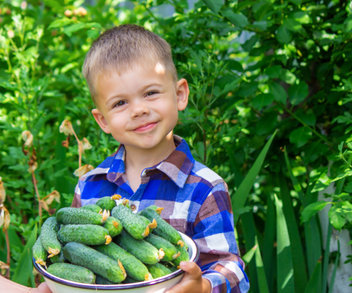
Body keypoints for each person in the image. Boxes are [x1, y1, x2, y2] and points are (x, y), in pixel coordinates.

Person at [71, 24, 249, 293]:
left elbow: (231, 270)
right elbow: (71, 259)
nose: (139, 110)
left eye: (150, 93)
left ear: (179, 95)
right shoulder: (89, 187)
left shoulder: (204, 188)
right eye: (120, 103)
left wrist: (201, 287)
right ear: (103, 120)